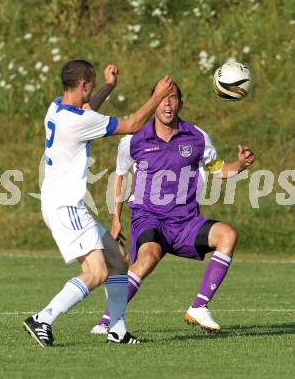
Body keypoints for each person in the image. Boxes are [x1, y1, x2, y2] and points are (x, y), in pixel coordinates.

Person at [23, 60, 174, 347]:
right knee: (97, 272)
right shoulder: (78, 122)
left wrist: (109, 86)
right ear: (83, 85)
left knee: (118, 260)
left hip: (63, 203)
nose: (92, 90)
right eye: (91, 85)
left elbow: (88, 109)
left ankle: (116, 329)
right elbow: (131, 125)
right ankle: (43, 318)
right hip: (66, 207)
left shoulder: (57, 107)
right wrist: (157, 96)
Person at [92, 82, 255, 334]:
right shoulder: (134, 139)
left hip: (186, 222)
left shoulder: (197, 137)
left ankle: (199, 307)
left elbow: (220, 170)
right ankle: (106, 320)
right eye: (162, 98)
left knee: (228, 235)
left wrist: (241, 165)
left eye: (173, 98)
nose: (167, 103)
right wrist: (116, 218)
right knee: (148, 257)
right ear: (153, 102)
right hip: (149, 217)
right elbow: (121, 176)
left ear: (181, 103)